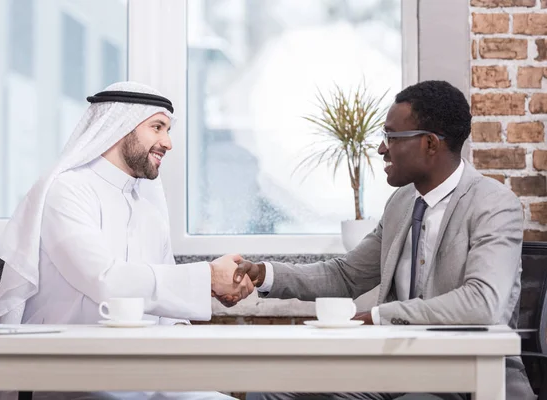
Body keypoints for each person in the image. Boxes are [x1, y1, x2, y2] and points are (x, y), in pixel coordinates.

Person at [228, 80, 536, 400]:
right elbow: (345, 275)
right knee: (271, 390)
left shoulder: (494, 204)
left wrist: (379, 317)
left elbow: (481, 303)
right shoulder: (402, 203)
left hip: (469, 371)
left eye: (391, 136)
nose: (381, 148)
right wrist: (264, 273)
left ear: (430, 144)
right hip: (398, 364)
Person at [0, 81, 253, 400]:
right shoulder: (67, 191)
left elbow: (169, 314)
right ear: (119, 127)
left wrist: (205, 297)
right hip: (68, 377)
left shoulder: (150, 210)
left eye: (168, 130)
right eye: (157, 127)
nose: (168, 142)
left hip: (145, 376)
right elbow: (105, 281)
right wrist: (208, 276)